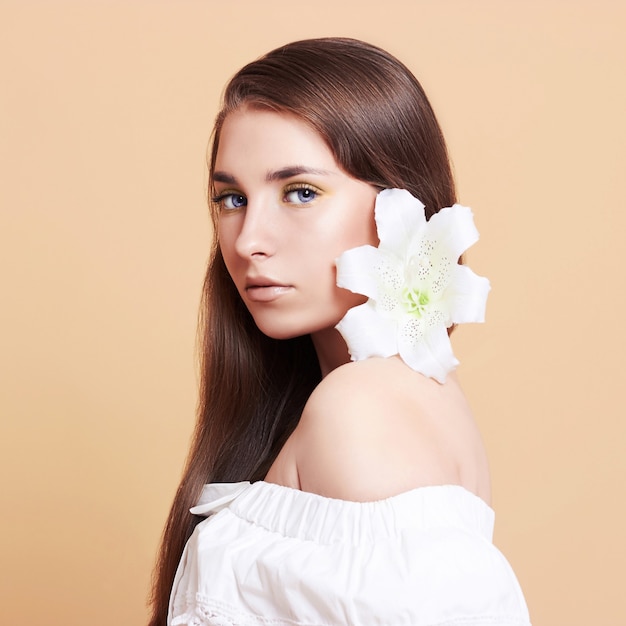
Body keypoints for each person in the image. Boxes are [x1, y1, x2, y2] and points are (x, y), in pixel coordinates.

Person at [149, 37, 531, 626]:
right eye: (231, 198)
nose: (248, 239)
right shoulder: (413, 394)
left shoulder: (359, 410)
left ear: (398, 206)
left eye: (300, 192)